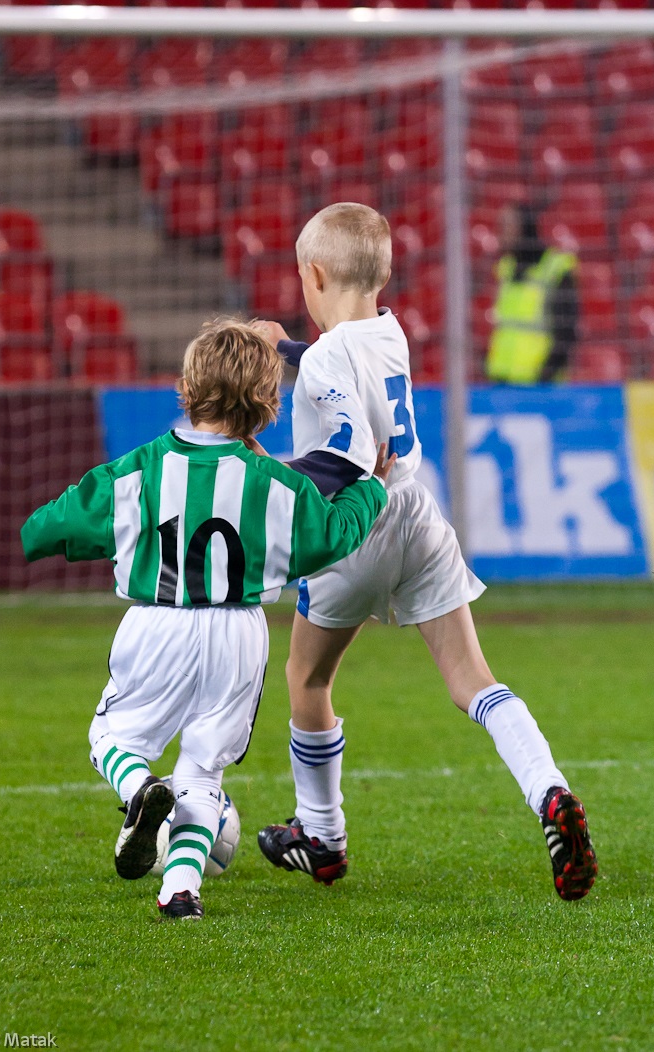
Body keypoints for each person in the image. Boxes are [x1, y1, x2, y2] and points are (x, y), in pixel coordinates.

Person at [255, 202, 598, 901]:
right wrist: (285, 348)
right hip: (419, 513)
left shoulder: (325, 357)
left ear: (313, 274)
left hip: (358, 524)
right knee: (474, 678)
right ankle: (550, 792)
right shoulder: (390, 330)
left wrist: (267, 477)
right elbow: (337, 363)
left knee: (307, 678)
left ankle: (322, 835)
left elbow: (343, 457)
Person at [20, 318, 388, 920]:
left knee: (111, 738)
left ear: (187, 391)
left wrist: (38, 536)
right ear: (268, 407)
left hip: (157, 625)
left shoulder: (142, 468)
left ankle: (139, 790)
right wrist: (370, 486)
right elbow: (334, 534)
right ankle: (180, 891)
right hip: (239, 636)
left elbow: (56, 525)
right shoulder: (276, 484)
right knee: (202, 771)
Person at [486, 202, 579, 385]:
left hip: (540, 386)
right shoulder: (505, 268)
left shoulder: (556, 269)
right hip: (501, 380)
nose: (501, 232)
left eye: (507, 225)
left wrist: (545, 377)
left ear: (524, 227)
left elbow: (566, 332)